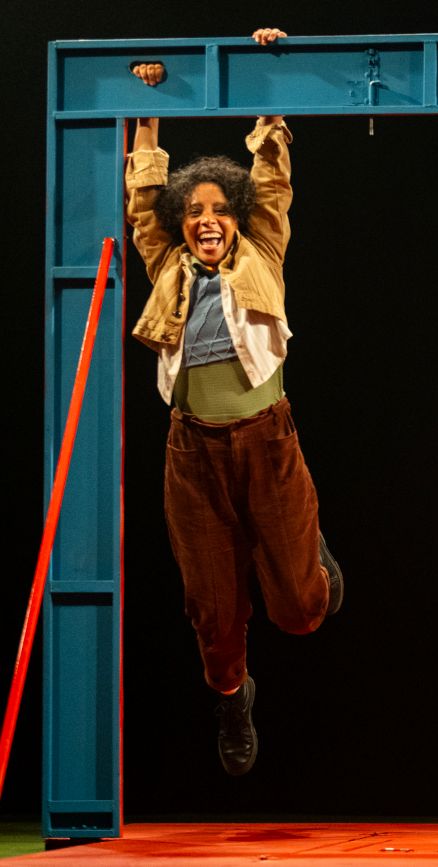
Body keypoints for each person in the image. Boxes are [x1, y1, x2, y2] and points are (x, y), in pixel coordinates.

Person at [126, 28, 342, 774]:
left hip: (266, 438)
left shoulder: (262, 250)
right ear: (183, 223)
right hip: (192, 452)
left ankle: (310, 554)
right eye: (194, 211)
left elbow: (273, 178)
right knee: (212, 611)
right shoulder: (166, 262)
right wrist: (146, 111)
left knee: (302, 613)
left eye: (220, 208)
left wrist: (266, 83)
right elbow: (144, 202)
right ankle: (232, 697)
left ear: (237, 216)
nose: (207, 219)